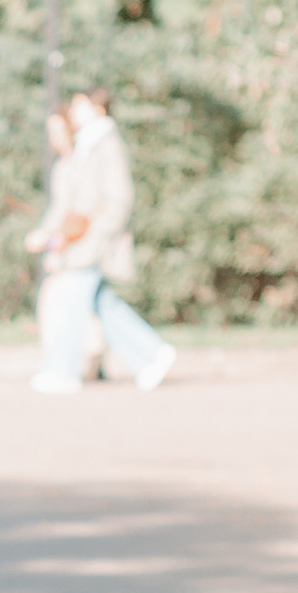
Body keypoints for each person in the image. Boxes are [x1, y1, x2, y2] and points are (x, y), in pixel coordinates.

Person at [29, 85, 174, 393]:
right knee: (103, 305)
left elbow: (119, 199)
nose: (74, 112)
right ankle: (151, 354)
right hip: (84, 241)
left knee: (72, 302)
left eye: (80, 106)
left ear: (99, 110)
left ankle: (63, 371)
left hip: (93, 243)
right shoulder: (88, 145)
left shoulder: (106, 144)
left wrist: (97, 235)